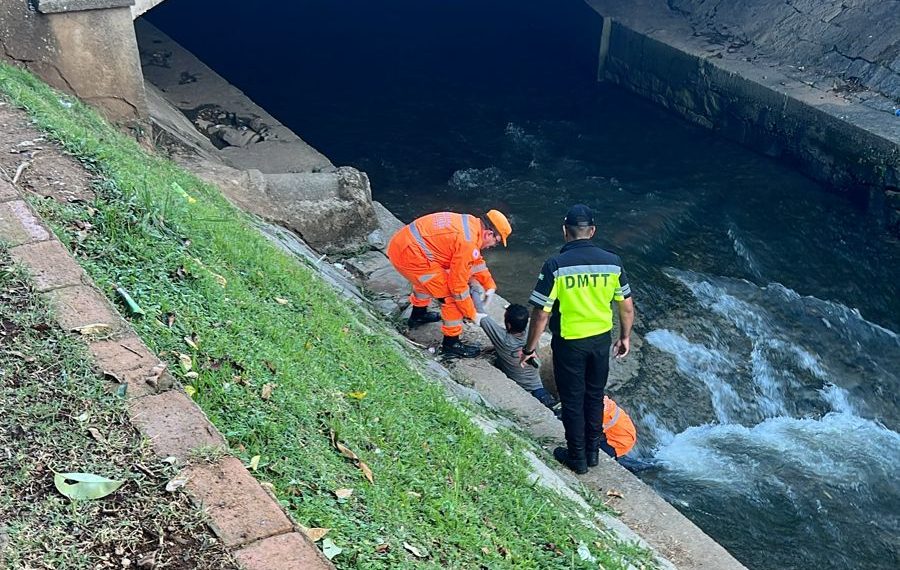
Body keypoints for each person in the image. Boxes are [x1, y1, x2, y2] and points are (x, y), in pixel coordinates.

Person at [519, 204, 635, 474]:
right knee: (594, 397)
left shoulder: (555, 265)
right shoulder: (613, 262)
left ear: (564, 231)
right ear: (592, 231)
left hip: (570, 342)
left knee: (572, 399)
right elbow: (626, 306)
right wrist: (624, 337)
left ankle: (577, 458)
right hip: (600, 341)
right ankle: (592, 453)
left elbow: (540, 315)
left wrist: (530, 348)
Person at [387, 210, 512, 358]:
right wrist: (471, 313)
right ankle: (451, 344)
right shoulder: (468, 242)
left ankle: (418, 315)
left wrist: (489, 284)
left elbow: (474, 260)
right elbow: (457, 288)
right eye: (496, 242)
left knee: (428, 281)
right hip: (410, 256)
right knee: (451, 299)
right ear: (488, 234)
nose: (492, 246)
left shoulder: (470, 225)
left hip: (404, 246)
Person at [475, 304, 562, 414]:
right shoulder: (531, 332)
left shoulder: (503, 340)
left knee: (546, 403)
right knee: (547, 399)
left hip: (527, 390)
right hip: (538, 385)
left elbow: (480, 313)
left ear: (509, 325)